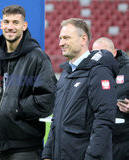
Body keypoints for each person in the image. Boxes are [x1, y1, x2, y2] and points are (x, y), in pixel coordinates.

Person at [0, 5, 57, 160]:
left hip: (24, 148)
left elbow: (47, 99)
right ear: (1, 24)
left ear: (24, 26)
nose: (10, 27)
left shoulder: (37, 57)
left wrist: (16, 109)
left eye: (15, 22)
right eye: (6, 22)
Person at [42, 18, 119, 160]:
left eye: (66, 38)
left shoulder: (99, 71)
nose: (60, 43)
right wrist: (47, 154)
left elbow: (104, 119)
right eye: (60, 38)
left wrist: (92, 156)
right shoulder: (65, 73)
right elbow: (56, 120)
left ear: (83, 39)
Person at [92, 37, 129, 160]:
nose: (99, 56)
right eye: (95, 53)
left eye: (103, 52)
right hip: (98, 137)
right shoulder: (91, 72)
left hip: (123, 139)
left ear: (114, 53)